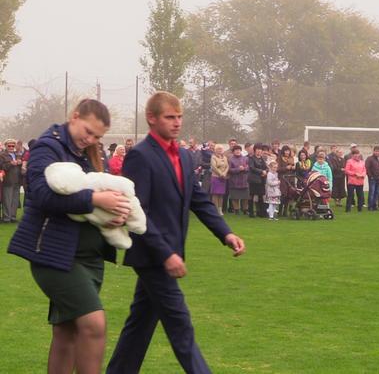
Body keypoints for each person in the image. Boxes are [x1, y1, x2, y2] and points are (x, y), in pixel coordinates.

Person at [107, 92, 245, 373]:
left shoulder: (183, 154)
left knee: (140, 325)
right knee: (180, 324)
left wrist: (226, 233)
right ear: (152, 118)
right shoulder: (140, 156)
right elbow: (137, 211)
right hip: (152, 256)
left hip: (169, 254)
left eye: (179, 117)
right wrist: (166, 254)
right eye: (170, 117)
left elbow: (198, 199)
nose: (177, 122)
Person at [9, 99, 132, 373]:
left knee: (67, 332)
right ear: (74, 117)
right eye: (87, 131)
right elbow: (41, 195)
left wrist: (117, 212)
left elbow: (106, 191)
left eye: (97, 137)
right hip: (54, 255)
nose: (90, 139)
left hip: (90, 257)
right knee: (93, 324)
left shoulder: (90, 152)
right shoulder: (47, 147)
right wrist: (96, 199)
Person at [0, 139, 23, 222]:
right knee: (7, 200)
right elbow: (1, 167)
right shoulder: (2, 155)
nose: (11, 147)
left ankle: (13, 217)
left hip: (17, 180)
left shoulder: (17, 155)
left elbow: (22, 166)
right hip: (8, 180)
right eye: (9, 146)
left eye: (12, 146)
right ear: (6, 146)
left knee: (15, 201)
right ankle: (6, 218)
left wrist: (20, 163)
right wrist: (10, 164)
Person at [228, 145, 249, 215]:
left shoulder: (245, 158)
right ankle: (236, 209)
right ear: (233, 151)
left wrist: (244, 168)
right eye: (236, 150)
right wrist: (238, 169)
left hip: (244, 180)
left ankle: (245, 209)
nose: (237, 151)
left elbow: (249, 167)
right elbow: (229, 169)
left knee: (245, 196)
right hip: (234, 181)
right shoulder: (231, 159)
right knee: (235, 196)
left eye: (239, 150)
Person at [248, 143, 268, 218]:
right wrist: (261, 171)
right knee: (252, 196)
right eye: (257, 149)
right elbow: (252, 168)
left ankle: (261, 212)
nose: (259, 151)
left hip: (261, 180)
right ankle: (251, 212)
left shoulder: (262, 158)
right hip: (254, 180)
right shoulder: (251, 158)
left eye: (260, 150)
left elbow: (266, 167)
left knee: (261, 196)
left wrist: (265, 171)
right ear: (254, 150)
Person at [210, 144, 229, 215]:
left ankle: (220, 209)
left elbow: (227, 166)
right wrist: (221, 174)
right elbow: (214, 167)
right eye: (218, 149)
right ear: (215, 150)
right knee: (215, 194)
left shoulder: (224, 157)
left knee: (221, 194)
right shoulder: (213, 157)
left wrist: (224, 173)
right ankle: (215, 209)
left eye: (221, 149)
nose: (220, 150)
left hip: (223, 178)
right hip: (216, 177)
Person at [277, 145, 296, 216]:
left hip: (290, 179)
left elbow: (293, 169)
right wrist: (286, 168)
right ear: (283, 151)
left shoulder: (291, 158)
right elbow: (278, 169)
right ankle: (280, 211)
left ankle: (285, 211)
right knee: (283, 195)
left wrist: (294, 168)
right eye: (286, 151)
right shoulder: (280, 158)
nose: (287, 152)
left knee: (289, 195)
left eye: (288, 151)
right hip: (283, 179)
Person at [365, 146, 379, 211]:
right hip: (372, 178)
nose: (378, 152)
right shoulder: (369, 159)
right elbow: (367, 168)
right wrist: (370, 176)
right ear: (374, 151)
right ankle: (370, 206)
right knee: (371, 192)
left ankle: (375, 206)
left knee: (377, 193)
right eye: (376, 151)